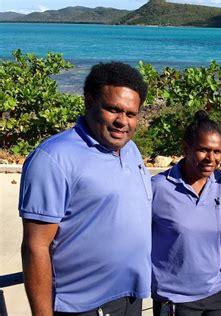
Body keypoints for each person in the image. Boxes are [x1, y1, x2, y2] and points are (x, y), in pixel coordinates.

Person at [19, 62, 152, 315]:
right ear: (89, 102)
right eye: (113, 109)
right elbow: (35, 246)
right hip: (82, 305)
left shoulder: (130, 150)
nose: (122, 122)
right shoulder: (54, 158)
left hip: (130, 296)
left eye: (131, 114)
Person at [150, 111, 221, 316]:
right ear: (185, 149)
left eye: (217, 151)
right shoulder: (158, 187)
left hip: (219, 292)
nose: (211, 158)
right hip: (175, 297)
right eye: (203, 150)